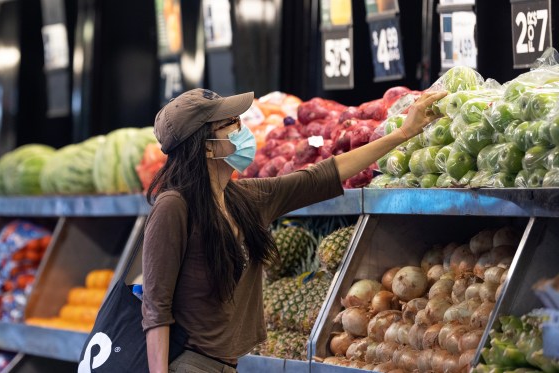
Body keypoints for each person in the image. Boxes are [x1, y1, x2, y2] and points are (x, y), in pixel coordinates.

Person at [142, 88, 447, 373]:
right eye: (231, 124)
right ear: (206, 146)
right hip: (189, 364)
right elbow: (156, 307)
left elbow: (321, 175)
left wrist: (404, 133)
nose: (242, 130)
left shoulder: (241, 199)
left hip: (227, 365)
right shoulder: (173, 207)